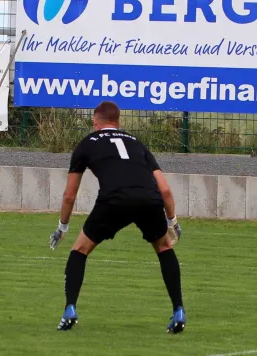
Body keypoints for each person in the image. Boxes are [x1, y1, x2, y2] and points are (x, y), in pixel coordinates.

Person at [48, 101, 185, 334]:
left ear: (95, 121)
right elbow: (166, 190)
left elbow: (70, 195)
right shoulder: (136, 143)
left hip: (114, 199)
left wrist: (62, 227)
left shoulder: (86, 144)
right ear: (118, 122)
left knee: (79, 250)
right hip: (148, 199)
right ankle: (179, 310)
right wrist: (172, 221)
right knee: (164, 248)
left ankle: (70, 308)